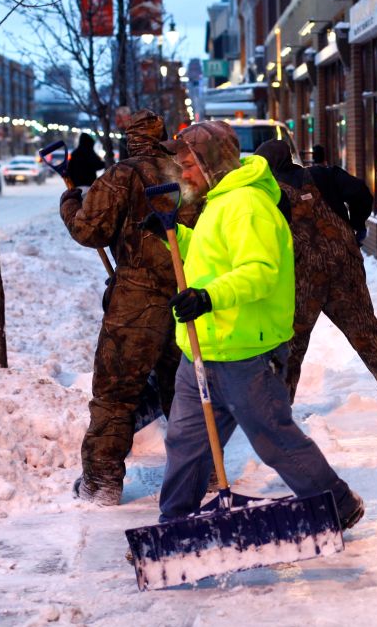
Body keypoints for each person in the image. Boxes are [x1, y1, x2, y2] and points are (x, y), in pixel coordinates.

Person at [144, 121, 365, 529]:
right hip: (203, 348)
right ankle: (174, 525)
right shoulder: (219, 202)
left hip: (246, 351)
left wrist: (209, 298)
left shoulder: (247, 204)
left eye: (189, 165)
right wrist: (175, 237)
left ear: (210, 163)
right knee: (187, 443)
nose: (184, 174)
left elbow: (259, 271)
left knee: (274, 439)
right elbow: (214, 262)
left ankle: (337, 503)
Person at [59, 109, 197, 506]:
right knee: (183, 391)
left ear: (129, 139)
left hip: (135, 301)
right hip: (186, 294)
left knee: (115, 392)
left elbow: (90, 229)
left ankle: (101, 482)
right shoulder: (187, 173)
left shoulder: (122, 176)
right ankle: (196, 476)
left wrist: (70, 203)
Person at [254, 140, 377, 415]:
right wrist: (355, 225)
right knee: (366, 332)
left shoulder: (266, 192)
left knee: (289, 340)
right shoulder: (323, 175)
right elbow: (361, 193)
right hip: (343, 266)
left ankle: (276, 407)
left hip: (301, 278)